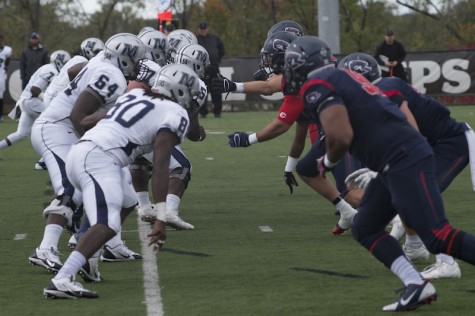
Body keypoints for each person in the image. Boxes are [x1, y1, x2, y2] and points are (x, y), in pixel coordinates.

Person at [283, 35, 475, 312]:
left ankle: (423, 277)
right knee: (365, 227)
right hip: (393, 160)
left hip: (404, 158)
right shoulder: (344, 78)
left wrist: (327, 162)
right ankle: (416, 284)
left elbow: (342, 134)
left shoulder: (318, 83)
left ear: (303, 63)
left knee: (437, 235)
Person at [43, 63, 200, 299]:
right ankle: (62, 278)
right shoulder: (175, 112)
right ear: (181, 92)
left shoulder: (135, 94)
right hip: (100, 158)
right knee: (108, 224)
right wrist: (160, 217)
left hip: (81, 151)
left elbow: (86, 122)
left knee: (127, 200)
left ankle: (89, 259)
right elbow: (160, 165)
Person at [213, 26, 359, 231]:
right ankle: (347, 211)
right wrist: (289, 166)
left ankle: (399, 215)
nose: (269, 64)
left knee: (353, 192)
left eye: (272, 59)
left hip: (347, 127)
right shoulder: (317, 64)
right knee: (307, 169)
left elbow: (281, 122)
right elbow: (297, 123)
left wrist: (249, 139)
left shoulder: (303, 80)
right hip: (335, 125)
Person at [339, 52, 469, 279]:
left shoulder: (386, 89)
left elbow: (411, 136)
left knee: (419, 197)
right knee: (404, 196)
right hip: (428, 146)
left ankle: (446, 262)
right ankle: (415, 245)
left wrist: (383, 171)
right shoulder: (373, 97)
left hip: (448, 144)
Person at [29, 33, 146, 282]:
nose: (138, 65)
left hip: (66, 128)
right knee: (72, 189)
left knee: (125, 195)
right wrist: (91, 148)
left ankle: (102, 248)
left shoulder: (101, 62)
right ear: (123, 59)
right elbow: (77, 115)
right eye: (135, 59)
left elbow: (75, 75)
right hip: (57, 129)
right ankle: (46, 248)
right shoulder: (112, 74)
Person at [131, 41, 208, 230]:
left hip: (127, 124)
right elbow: (190, 129)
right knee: (181, 166)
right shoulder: (198, 85)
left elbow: (132, 90)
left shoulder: (159, 70)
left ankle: (143, 206)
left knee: (139, 160)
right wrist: (198, 133)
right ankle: (170, 211)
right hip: (150, 128)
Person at [0, 50, 71, 153]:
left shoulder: (47, 68)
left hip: (27, 101)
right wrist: (47, 98)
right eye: (65, 63)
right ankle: (44, 160)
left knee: (21, 134)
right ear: (59, 62)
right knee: (58, 121)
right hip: (32, 102)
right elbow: (35, 89)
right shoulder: (52, 71)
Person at [196, 21, 225, 118]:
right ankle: (203, 112)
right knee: (203, 90)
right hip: (201, 69)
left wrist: (217, 59)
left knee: (216, 89)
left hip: (213, 67)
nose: (203, 31)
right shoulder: (195, 40)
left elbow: (222, 49)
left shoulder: (214, 38)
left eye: (204, 29)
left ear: (207, 29)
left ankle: (217, 111)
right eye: (201, 29)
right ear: (198, 30)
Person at [0, 34, 12, 122]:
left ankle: (0, 115)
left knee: (0, 95)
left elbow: (7, 63)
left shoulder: (7, 50)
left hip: (1, 74)